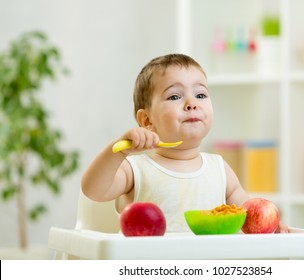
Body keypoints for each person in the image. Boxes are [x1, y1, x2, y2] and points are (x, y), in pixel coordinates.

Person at [82, 53, 288, 233]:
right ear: (147, 121)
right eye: (174, 96)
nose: (192, 103)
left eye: (200, 94)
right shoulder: (136, 170)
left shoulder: (220, 169)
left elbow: (249, 216)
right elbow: (93, 190)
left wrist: (269, 225)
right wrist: (118, 151)